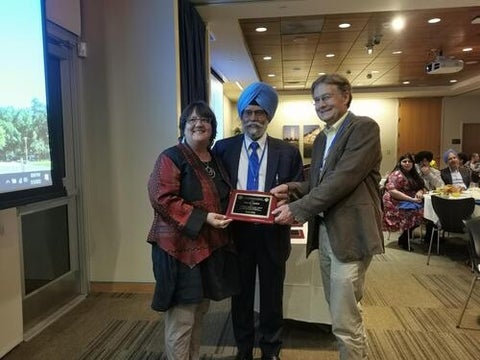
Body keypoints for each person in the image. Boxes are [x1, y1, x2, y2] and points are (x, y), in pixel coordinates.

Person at [270, 74, 384, 360]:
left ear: (345, 96)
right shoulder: (322, 137)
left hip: (351, 234)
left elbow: (343, 180)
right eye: (316, 100)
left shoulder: (364, 128)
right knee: (339, 310)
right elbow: (321, 183)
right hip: (325, 232)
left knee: (345, 318)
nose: (320, 104)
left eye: (326, 97)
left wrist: (297, 209)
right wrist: (293, 189)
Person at [212, 82, 303, 360]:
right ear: (241, 115)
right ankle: (243, 348)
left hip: (272, 233)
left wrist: (290, 197)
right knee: (240, 296)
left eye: (259, 113)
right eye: (248, 112)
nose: (253, 118)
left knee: (272, 295)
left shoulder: (287, 151)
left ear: (269, 116)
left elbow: (299, 185)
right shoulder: (223, 148)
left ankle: (271, 350)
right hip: (236, 234)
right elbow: (214, 187)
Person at [147, 101, 240, 360]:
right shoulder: (171, 156)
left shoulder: (216, 160)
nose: (199, 124)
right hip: (178, 252)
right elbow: (161, 197)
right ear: (183, 127)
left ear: (213, 128)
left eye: (205, 120)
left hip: (208, 250)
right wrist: (204, 217)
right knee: (182, 320)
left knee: (199, 313)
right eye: (192, 120)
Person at [383, 153, 426, 250]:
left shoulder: (413, 174)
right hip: (395, 201)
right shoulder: (396, 174)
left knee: (425, 212)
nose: (407, 163)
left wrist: (419, 191)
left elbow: (421, 186)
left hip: (409, 201)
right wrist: (411, 199)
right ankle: (405, 239)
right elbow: (392, 191)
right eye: (404, 161)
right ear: (399, 163)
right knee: (414, 213)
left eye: (409, 161)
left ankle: (404, 237)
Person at [414, 150, 444, 242]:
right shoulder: (414, 172)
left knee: (436, 206)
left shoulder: (435, 172)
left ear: (429, 161)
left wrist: (429, 174)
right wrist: (420, 174)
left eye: (426, 161)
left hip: (432, 199)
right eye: (421, 161)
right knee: (429, 207)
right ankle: (430, 236)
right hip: (418, 199)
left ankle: (431, 236)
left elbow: (441, 186)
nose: (423, 163)